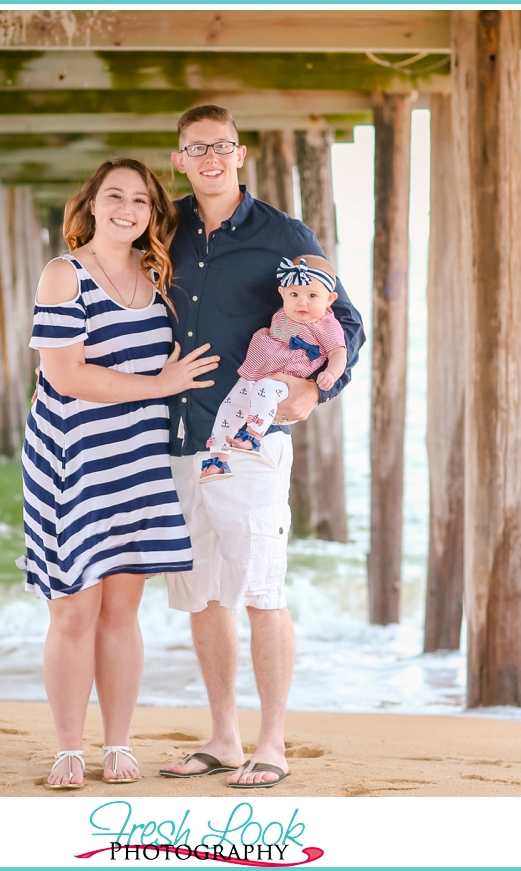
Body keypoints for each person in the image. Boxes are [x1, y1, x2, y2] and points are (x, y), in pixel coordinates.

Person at [158, 106, 365, 787]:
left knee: (260, 591)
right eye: (196, 148)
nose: (210, 158)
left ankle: (271, 743)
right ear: (179, 159)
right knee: (204, 594)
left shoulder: (283, 233)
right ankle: (223, 735)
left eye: (221, 146)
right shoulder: (168, 228)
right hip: (180, 433)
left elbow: (347, 321)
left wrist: (317, 394)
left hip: (249, 440)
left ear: (240, 154)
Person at [21, 158, 220, 789]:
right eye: (115, 195)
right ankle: (67, 749)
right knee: (75, 609)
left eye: (140, 199)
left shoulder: (160, 275)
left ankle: (117, 743)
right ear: (92, 204)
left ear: (152, 213)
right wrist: (157, 383)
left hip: (138, 456)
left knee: (121, 611)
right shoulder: (65, 274)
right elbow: (64, 375)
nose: (127, 207)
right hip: (72, 456)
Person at [200, 254, 346, 481]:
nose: (302, 302)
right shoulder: (282, 315)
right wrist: (264, 335)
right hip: (255, 372)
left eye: (312, 296)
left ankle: (252, 437)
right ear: (283, 294)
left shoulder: (326, 324)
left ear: (330, 299)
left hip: (282, 381)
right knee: (229, 407)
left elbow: (339, 352)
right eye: (294, 294)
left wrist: (331, 373)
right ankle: (218, 459)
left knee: (265, 390)